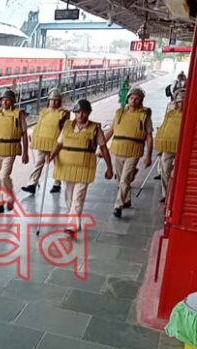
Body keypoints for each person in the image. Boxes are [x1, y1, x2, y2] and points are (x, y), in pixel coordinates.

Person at [48, 99, 113, 239]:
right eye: (78, 112)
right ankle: (75, 221)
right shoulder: (66, 127)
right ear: (74, 114)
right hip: (67, 167)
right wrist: (52, 155)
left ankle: (71, 226)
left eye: (84, 112)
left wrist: (109, 168)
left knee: (78, 198)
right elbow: (59, 144)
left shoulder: (95, 129)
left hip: (85, 168)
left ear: (89, 113)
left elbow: (103, 148)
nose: (81, 115)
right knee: (68, 196)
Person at [104, 87, 153, 218]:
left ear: (141, 101)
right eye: (132, 98)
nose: (133, 101)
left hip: (134, 151)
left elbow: (149, 136)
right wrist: (100, 147)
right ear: (128, 98)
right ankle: (126, 200)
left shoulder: (144, 115)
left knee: (124, 179)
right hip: (118, 149)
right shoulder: (119, 113)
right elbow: (110, 131)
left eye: (137, 99)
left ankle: (118, 205)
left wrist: (149, 155)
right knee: (121, 178)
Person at [22, 88, 69, 195]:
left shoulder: (64, 113)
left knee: (58, 164)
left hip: (56, 143)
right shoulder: (43, 112)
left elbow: (65, 130)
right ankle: (32, 184)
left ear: (60, 101)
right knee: (39, 163)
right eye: (52, 100)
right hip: (43, 142)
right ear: (49, 100)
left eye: (57, 100)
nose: (54, 102)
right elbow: (40, 125)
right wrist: (33, 135)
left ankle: (57, 184)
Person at [155, 90, 185, 203]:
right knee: (165, 170)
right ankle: (166, 194)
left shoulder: (190, 115)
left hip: (182, 148)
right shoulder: (170, 114)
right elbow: (164, 128)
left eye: (183, 101)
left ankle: (176, 195)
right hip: (168, 146)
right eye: (178, 102)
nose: (180, 104)